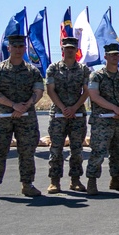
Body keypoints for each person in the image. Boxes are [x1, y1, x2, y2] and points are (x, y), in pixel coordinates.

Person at [0, 34, 45, 200]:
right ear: (8, 48)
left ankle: (27, 185)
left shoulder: (33, 71)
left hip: (26, 117)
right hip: (3, 116)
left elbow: (38, 92)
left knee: (27, 152)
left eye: (21, 47)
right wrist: (13, 105)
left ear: (25, 48)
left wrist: (26, 105)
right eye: (14, 47)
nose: (18, 49)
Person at [85, 44, 119, 196]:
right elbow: (94, 96)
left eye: (117, 54)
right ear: (105, 57)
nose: (115, 57)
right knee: (98, 151)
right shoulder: (97, 76)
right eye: (111, 55)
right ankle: (92, 181)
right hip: (102, 122)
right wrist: (114, 108)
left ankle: (116, 179)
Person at [44, 37, 90, 194]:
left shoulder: (84, 69)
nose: (69, 50)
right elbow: (50, 90)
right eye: (67, 48)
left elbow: (86, 91)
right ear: (62, 49)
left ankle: (75, 180)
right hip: (58, 114)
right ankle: (54, 181)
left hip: (77, 114)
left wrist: (74, 107)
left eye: (72, 48)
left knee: (77, 149)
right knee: (56, 149)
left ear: (76, 50)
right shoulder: (53, 68)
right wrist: (64, 108)